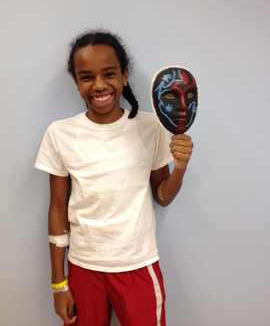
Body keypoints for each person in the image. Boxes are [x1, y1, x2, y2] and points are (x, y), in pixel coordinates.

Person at [35, 30, 194, 326]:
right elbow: (57, 209)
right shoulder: (60, 133)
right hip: (82, 268)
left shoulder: (151, 126)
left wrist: (181, 167)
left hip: (137, 265)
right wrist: (59, 284)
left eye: (109, 73)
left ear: (124, 76)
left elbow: (162, 196)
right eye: (86, 77)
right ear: (76, 83)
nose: (98, 85)